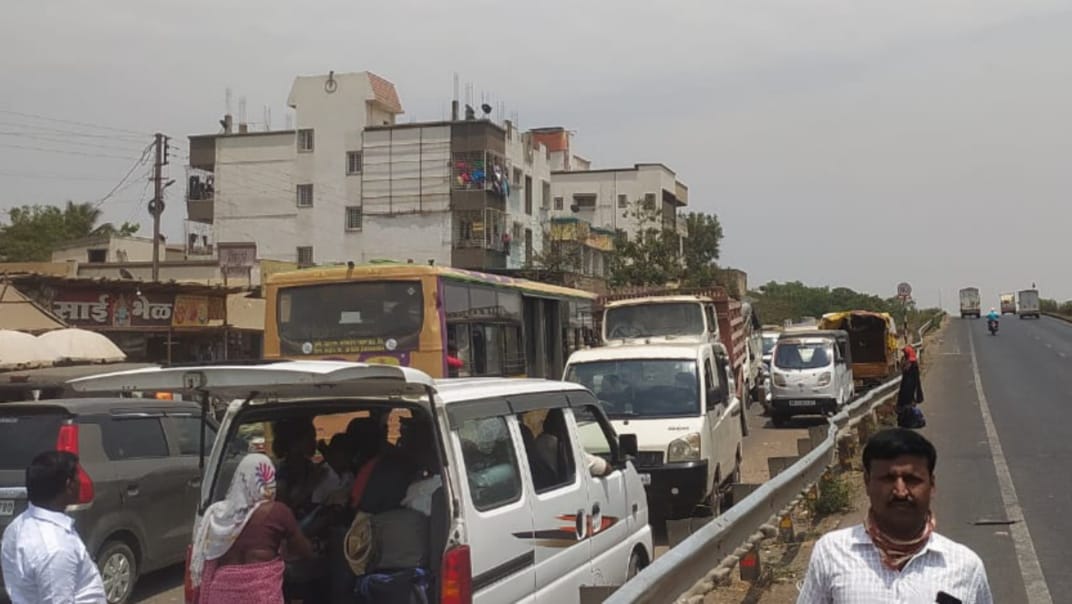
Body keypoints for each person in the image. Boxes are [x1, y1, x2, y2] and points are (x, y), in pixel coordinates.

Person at [797, 429, 993, 603]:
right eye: (888, 479)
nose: (900, 491)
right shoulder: (832, 552)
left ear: (931, 485)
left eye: (912, 480)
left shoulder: (965, 566)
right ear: (867, 482)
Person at [191, 453, 314, 604]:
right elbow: (304, 550)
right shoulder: (277, 511)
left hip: (220, 595)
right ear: (268, 478)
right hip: (260, 596)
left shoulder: (218, 515)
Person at [1, 451, 105, 604]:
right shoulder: (55, 548)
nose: (81, 482)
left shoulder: (17, 526)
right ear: (68, 485)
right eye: (78, 477)